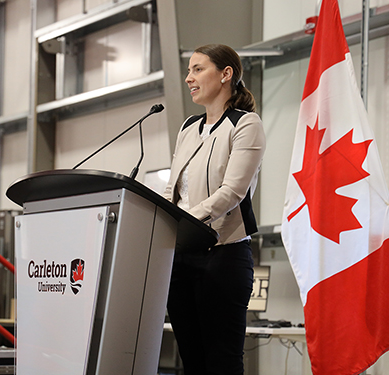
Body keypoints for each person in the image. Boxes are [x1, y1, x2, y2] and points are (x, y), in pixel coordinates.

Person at [163, 44, 266, 375]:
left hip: (223, 256)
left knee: (221, 361)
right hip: (181, 257)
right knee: (191, 361)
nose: (188, 78)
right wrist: (159, 221)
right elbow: (173, 188)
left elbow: (232, 192)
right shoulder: (188, 127)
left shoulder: (245, 124)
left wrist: (183, 220)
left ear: (226, 74)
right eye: (189, 70)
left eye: (197, 69)